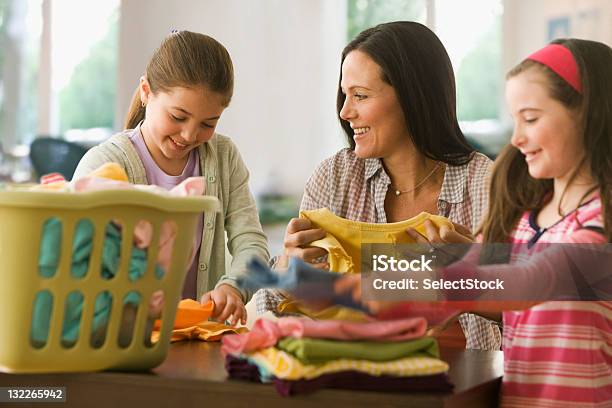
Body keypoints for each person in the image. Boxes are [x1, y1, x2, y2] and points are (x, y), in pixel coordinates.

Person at [336, 38, 612, 407]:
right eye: (515, 120)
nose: (516, 138)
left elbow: (527, 281)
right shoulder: (530, 217)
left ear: (588, 114)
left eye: (530, 118)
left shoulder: (600, 225)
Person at [256, 21, 494, 349]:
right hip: (352, 384)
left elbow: (542, 312)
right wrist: (286, 273)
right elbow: (268, 313)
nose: (345, 111)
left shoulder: (488, 186)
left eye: (361, 96)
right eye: (345, 94)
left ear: (413, 96)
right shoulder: (334, 178)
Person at [74, 30, 269, 326]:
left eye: (208, 123)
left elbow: (251, 241)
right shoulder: (106, 164)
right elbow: (79, 266)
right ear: (146, 91)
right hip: (123, 338)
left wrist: (233, 287)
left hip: (199, 336)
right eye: (178, 117)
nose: (190, 135)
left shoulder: (224, 157)